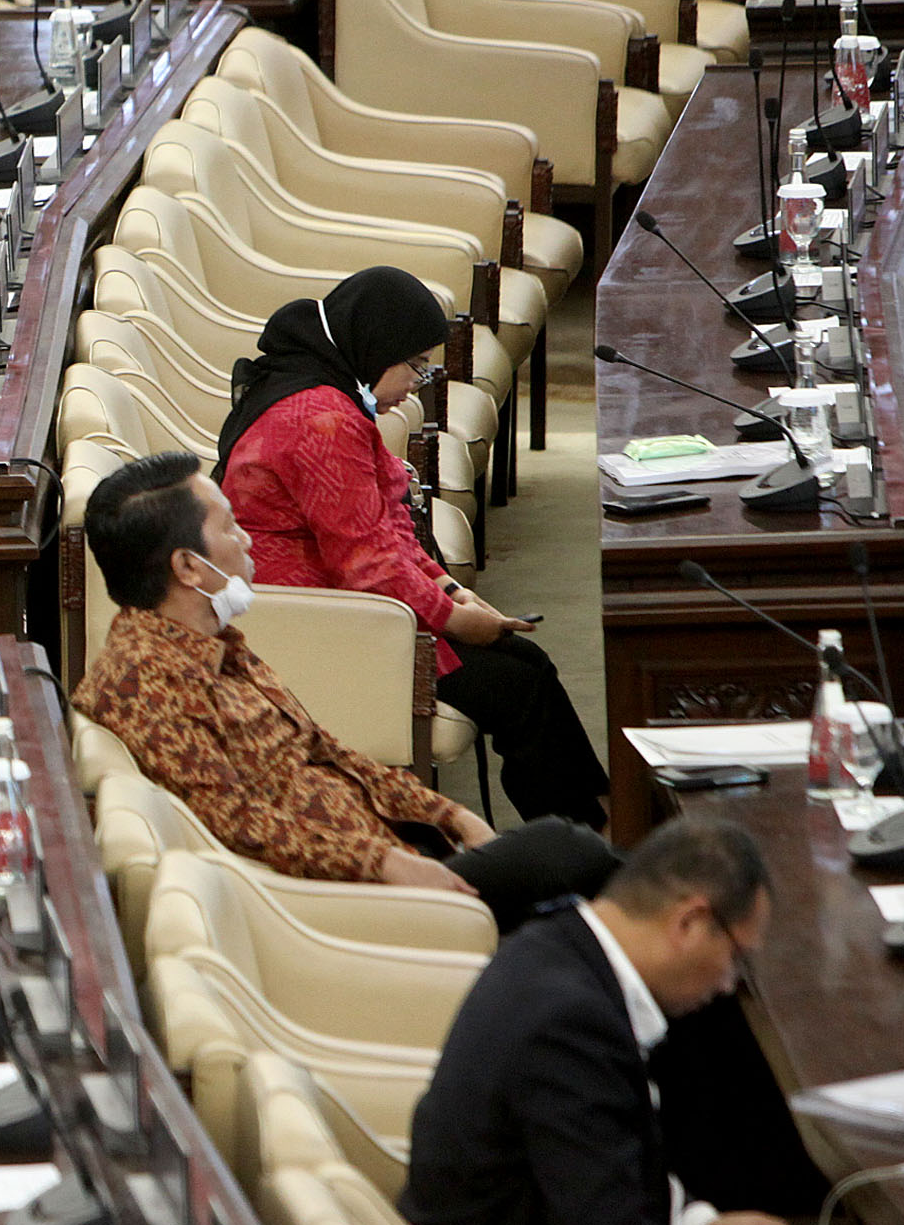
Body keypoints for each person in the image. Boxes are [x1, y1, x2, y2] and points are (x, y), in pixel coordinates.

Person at [401, 816, 877, 1225]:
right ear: (691, 922)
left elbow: (601, 1157)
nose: (729, 983)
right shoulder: (572, 1020)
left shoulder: (555, 948)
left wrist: (701, 1224)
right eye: (736, 958)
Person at [75, 450, 619, 930]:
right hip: (343, 897)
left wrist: (450, 815)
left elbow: (326, 750)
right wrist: (383, 863)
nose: (247, 540)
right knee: (568, 852)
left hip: (395, 846)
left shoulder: (214, 643)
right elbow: (233, 821)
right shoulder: (144, 682)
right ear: (188, 567)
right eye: (231, 527)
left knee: (576, 880)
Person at [215, 265, 609, 828]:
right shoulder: (320, 420)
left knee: (525, 665)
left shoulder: (327, 391)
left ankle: (588, 824)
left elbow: (385, 525)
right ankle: (581, 838)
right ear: (377, 349)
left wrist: (449, 590)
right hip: (319, 623)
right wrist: (453, 619)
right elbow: (366, 565)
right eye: (416, 365)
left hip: (353, 603)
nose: (417, 383)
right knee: (520, 684)